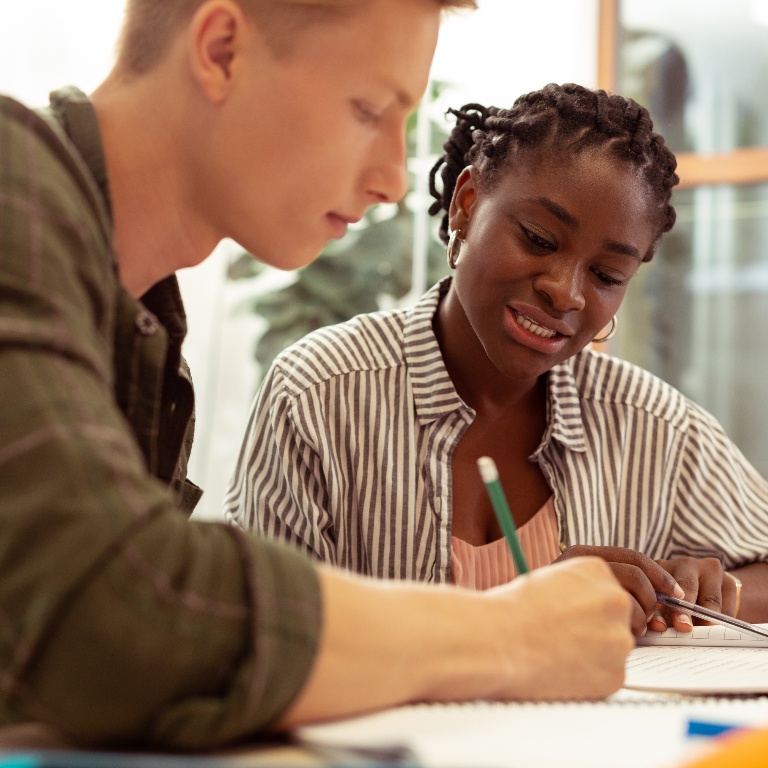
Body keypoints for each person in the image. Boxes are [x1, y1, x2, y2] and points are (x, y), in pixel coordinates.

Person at [0, 1, 636, 752]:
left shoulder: (137, 313)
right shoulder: (13, 190)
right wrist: (512, 634)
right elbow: (119, 614)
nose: (394, 181)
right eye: (369, 109)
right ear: (222, 49)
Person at [226, 82, 768, 638]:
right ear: (467, 203)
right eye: (538, 238)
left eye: (607, 276)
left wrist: (698, 593)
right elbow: (257, 630)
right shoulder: (319, 396)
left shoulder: (654, 426)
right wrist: (513, 615)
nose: (566, 292)